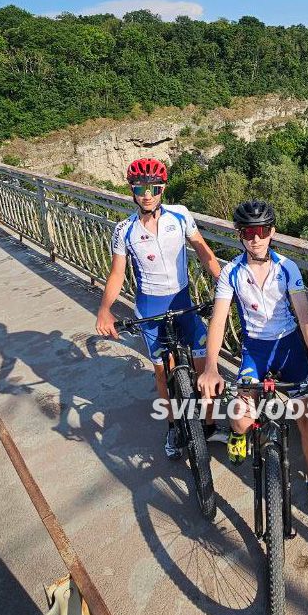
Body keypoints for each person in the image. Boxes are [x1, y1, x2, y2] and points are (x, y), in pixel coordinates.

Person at [197, 200, 308, 520]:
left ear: (272, 232)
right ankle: (236, 434)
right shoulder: (231, 272)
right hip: (255, 350)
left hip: (289, 347)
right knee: (242, 418)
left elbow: (305, 319)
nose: (256, 239)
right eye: (248, 232)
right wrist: (210, 367)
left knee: (307, 419)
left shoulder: (287, 267)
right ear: (240, 235)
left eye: (262, 231)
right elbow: (218, 321)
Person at [96, 157, 221, 458]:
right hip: (149, 308)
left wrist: (222, 281)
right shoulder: (123, 229)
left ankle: (209, 424)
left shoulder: (180, 216)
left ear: (163, 188)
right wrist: (104, 309)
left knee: (205, 367)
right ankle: (172, 427)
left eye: (154, 187)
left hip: (183, 301)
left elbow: (204, 252)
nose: (147, 194)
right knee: (162, 374)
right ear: (132, 190)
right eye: (140, 188)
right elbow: (117, 273)